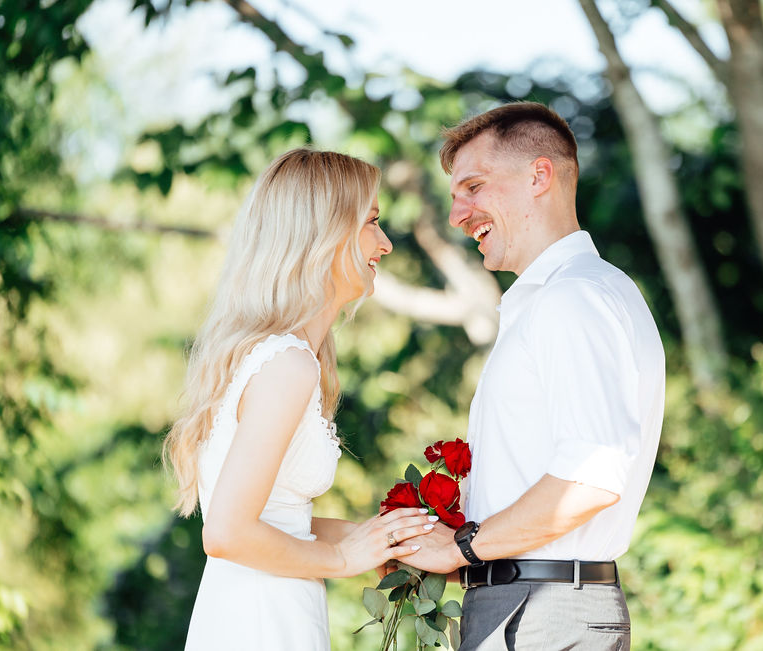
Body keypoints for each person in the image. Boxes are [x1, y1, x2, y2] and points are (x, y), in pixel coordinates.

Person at [401, 102, 666, 649]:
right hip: (530, 603)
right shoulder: (568, 295)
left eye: (473, 186)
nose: (458, 214)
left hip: (545, 612)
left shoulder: (574, 299)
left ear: (539, 175)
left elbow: (590, 477)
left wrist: (462, 546)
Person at [163, 148, 437, 651]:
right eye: (372, 222)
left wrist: (372, 539)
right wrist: (342, 560)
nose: (386, 243)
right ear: (326, 235)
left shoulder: (271, 357)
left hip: (253, 609)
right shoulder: (287, 365)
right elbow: (226, 532)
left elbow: (277, 519)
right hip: (262, 621)